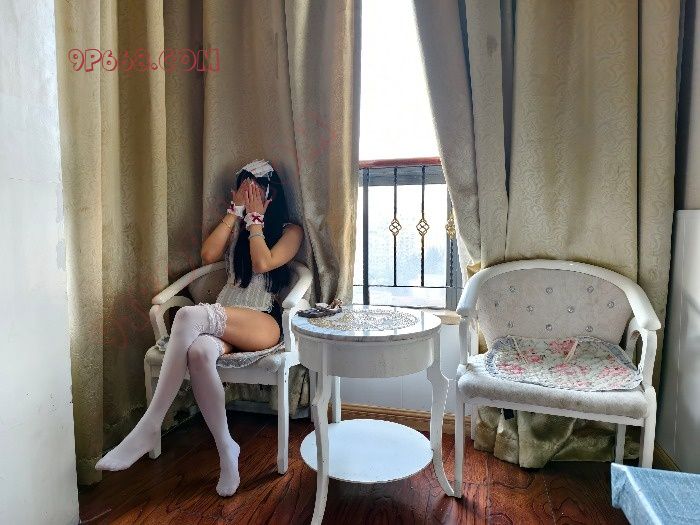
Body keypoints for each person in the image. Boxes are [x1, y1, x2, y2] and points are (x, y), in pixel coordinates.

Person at [95, 160, 304, 497]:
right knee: (199, 353)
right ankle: (227, 450)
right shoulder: (235, 225)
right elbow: (208, 254)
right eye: (243, 190)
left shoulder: (290, 231)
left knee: (186, 316)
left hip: (262, 321)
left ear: (272, 193)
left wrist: (256, 221)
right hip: (224, 317)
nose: (248, 196)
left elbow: (262, 263)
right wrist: (235, 213)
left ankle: (150, 424)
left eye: (254, 190)